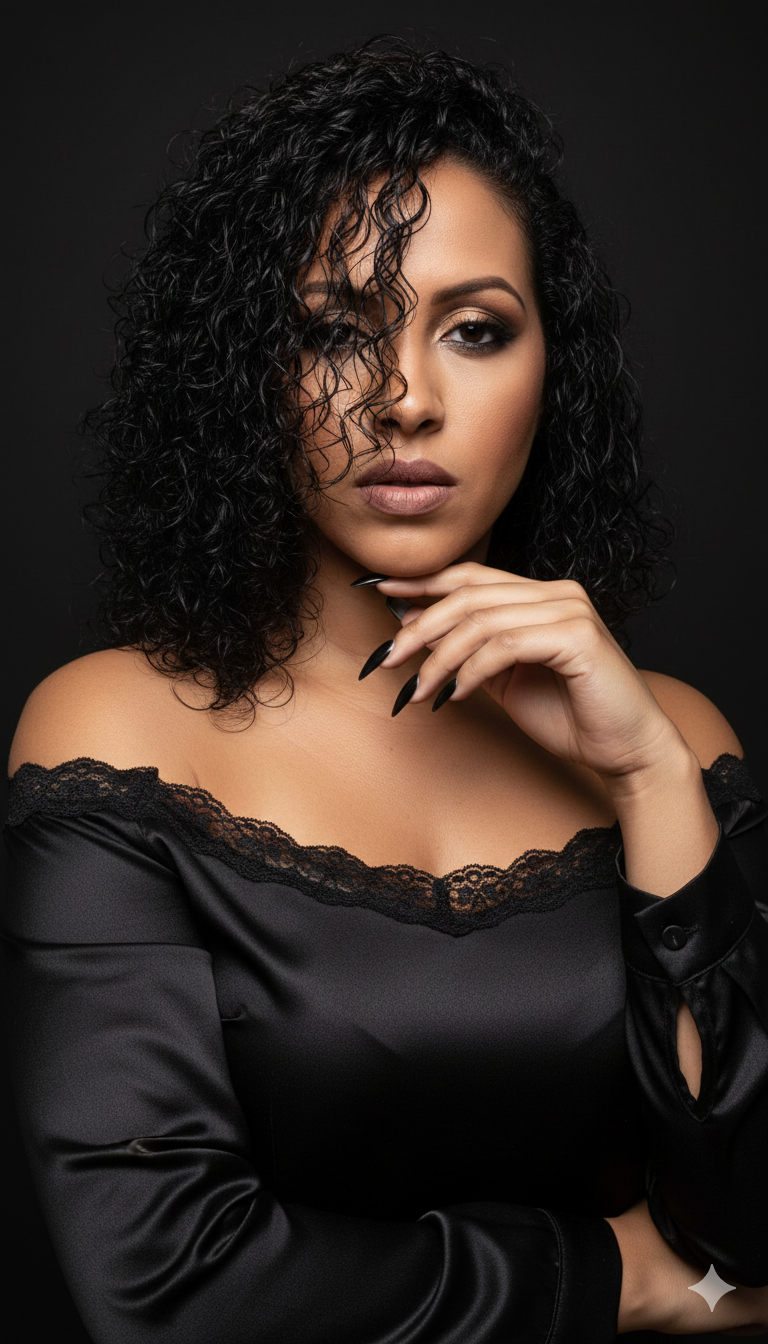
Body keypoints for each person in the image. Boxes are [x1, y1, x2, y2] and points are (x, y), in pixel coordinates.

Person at [2, 38, 767, 1343]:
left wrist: (644, 774)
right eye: (332, 333)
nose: (403, 399)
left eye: (475, 331)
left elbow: (753, 1224)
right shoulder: (109, 731)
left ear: (554, 374)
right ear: (252, 374)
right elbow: (166, 1287)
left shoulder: (675, 735)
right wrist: (613, 1277)